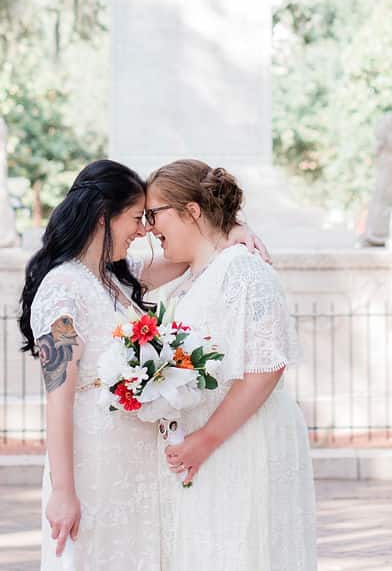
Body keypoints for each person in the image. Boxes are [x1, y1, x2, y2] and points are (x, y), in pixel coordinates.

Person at [18, 160, 270, 570]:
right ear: (103, 218)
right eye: (136, 218)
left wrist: (232, 230)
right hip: (94, 463)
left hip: (137, 466)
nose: (143, 230)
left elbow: (192, 252)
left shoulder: (113, 279)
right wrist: (63, 491)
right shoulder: (62, 288)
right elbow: (58, 399)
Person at [146, 159, 317, 571]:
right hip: (206, 445)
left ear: (191, 211)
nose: (149, 227)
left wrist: (205, 439)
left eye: (155, 214)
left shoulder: (244, 271)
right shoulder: (194, 275)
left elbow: (267, 366)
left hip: (241, 440)